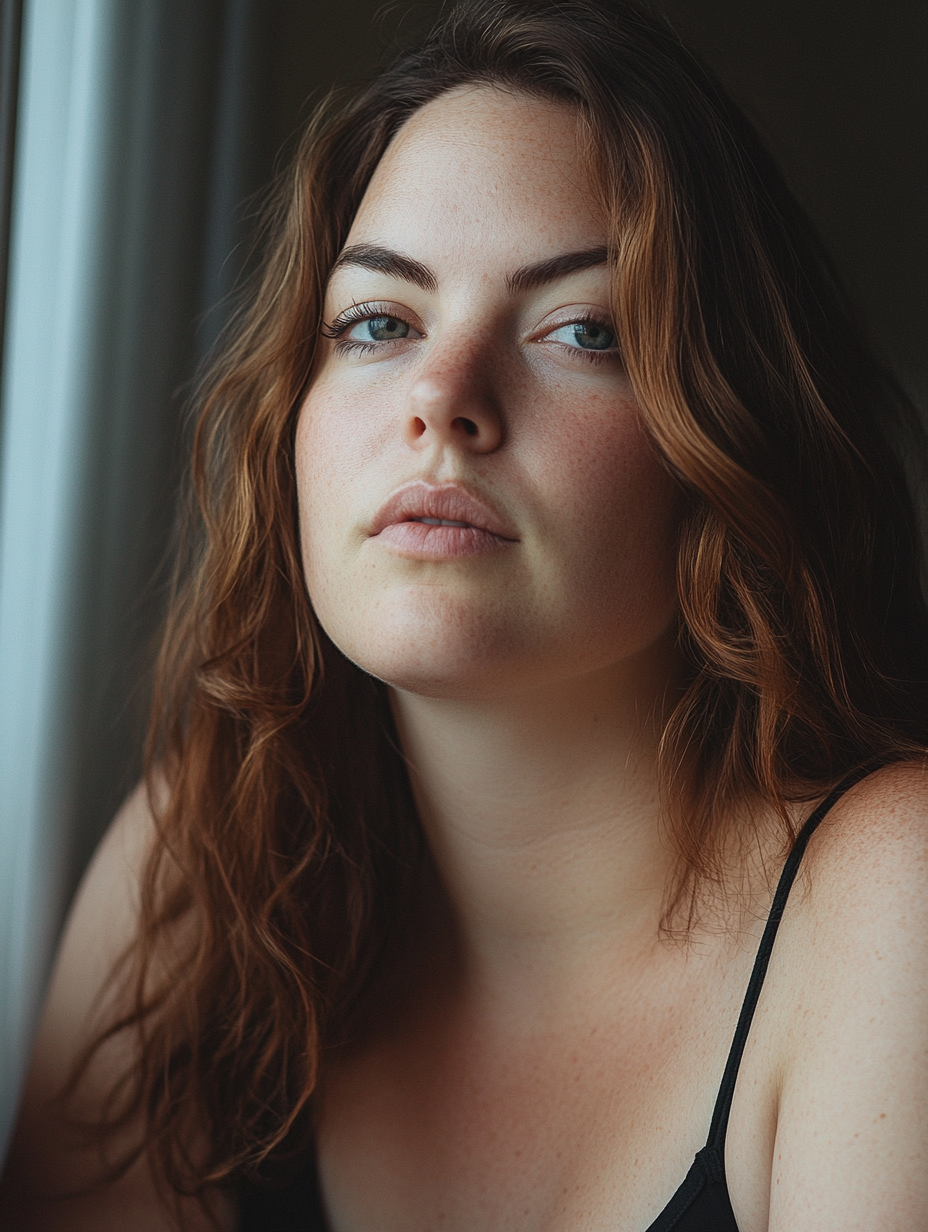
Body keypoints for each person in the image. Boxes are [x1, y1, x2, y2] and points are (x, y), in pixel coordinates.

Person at [2, 0, 927, 1228]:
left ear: (725, 436)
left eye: (581, 330)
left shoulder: (889, 900)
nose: (442, 400)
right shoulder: (210, 859)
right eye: (379, 322)